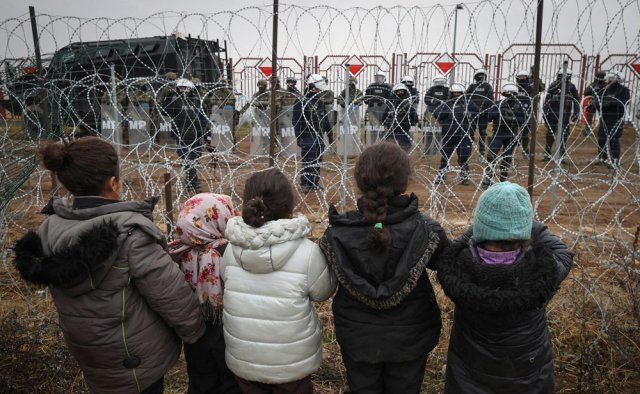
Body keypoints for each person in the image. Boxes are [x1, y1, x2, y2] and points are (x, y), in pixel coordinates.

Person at [13, 137, 205, 394]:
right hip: (136, 359)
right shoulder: (130, 234)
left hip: (93, 355)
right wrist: (198, 334)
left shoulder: (50, 227)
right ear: (113, 183)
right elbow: (171, 296)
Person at [319, 142, 449, 394]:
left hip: (358, 337)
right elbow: (449, 266)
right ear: (404, 182)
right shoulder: (425, 231)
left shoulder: (338, 234)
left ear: (360, 181)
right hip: (411, 337)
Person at [437, 181, 573, 393]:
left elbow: (455, 246)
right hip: (529, 377)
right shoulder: (541, 271)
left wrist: (478, 228)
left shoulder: (459, 268)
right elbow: (563, 254)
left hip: (468, 378)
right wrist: (527, 225)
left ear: (481, 227)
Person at [220, 168, 336, 393]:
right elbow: (323, 292)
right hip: (292, 363)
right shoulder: (307, 252)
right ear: (289, 208)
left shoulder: (231, 250)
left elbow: (226, 282)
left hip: (244, 358)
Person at [169, 193, 242, 394]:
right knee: (231, 382)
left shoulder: (178, 253)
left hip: (194, 331)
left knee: (201, 380)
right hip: (229, 331)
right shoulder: (232, 251)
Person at [163, 77, 210, 192]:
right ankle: (195, 183)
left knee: (193, 159)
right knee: (188, 159)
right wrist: (168, 96)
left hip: (196, 135)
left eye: (185, 88)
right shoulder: (175, 102)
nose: (183, 90)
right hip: (181, 135)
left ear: (190, 89)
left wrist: (207, 134)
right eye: (180, 88)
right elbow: (164, 111)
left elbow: (204, 119)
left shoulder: (197, 102)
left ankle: (189, 182)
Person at [432, 83, 479, 185]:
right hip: (449, 134)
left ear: (463, 93)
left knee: (463, 156)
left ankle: (464, 176)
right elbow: (436, 113)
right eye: (455, 93)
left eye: (459, 93)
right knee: (445, 155)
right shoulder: (447, 103)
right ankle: (441, 176)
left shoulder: (469, 103)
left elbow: (479, 113)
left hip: (464, 135)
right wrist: (449, 112)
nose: (457, 94)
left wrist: (470, 114)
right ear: (451, 93)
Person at [482, 82, 527, 188]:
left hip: (511, 134)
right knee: (491, 155)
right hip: (498, 133)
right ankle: (488, 179)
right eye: (507, 93)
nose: (509, 95)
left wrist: (512, 118)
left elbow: (523, 119)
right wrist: (499, 112)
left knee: (506, 158)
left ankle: (503, 180)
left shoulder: (519, 106)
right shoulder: (498, 104)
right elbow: (489, 117)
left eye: (511, 93)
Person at [293, 73, 331, 192]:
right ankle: (305, 183)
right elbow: (296, 120)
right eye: (320, 85)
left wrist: (329, 133)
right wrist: (299, 136)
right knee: (308, 159)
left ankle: (314, 182)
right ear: (313, 85)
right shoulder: (302, 101)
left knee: (318, 159)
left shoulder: (320, 101)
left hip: (319, 134)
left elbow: (325, 119)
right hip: (307, 134)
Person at [594, 70, 631, 169]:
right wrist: (600, 106)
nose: (609, 79)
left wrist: (610, 103)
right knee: (602, 138)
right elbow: (598, 101)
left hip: (616, 118)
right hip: (605, 117)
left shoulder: (623, 90)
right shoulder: (605, 89)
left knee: (614, 139)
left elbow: (625, 102)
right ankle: (602, 157)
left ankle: (615, 160)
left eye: (612, 78)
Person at [542, 68, 580, 162]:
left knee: (564, 134)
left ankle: (562, 155)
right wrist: (545, 112)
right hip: (552, 113)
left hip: (565, 114)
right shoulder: (553, 85)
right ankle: (547, 153)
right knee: (550, 134)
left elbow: (576, 101)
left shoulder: (571, 87)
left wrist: (576, 112)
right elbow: (547, 100)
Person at [382, 83, 419, 151]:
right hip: (392, 127)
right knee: (389, 146)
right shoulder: (391, 105)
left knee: (405, 145)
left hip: (403, 127)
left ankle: (402, 157)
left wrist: (413, 122)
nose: (400, 93)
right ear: (394, 93)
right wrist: (384, 122)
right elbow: (384, 115)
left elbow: (414, 116)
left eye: (402, 91)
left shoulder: (406, 105)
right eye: (398, 91)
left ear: (405, 93)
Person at [466, 69, 494, 156]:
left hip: (484, 114)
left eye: (482, 75)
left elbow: (490, 100)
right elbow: (467, 98)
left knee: (482, 132)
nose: (481, 77)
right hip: (473, 113)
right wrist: (473, 109)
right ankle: (468, 147)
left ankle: (481, 150)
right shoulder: (472, 87)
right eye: (479, 75)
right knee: (471, 132)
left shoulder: (488, 86)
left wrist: (486, 111)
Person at [423, 75, 450, 154]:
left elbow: (449, 100)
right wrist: (434, 101)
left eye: (441, 81)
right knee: (429, 133)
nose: (439, 83)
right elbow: (426, 99)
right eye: (438, 81)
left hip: (441, 114)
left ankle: (436, 150)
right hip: (430, 113)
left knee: (439, 133)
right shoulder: (431, 89)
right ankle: (427, 150)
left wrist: (442, 103)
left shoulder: (446, 90)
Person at [515, 69, 534, 159]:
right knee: (513, 133)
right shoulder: (514, 88)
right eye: (520, 78)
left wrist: (534, 74)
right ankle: (510, 151)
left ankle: (525, 151)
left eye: (524, 77)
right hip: (515, 113)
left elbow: (541, 88)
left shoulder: (531, 88)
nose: (522, 79)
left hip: (526, 113)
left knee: (525, 134)